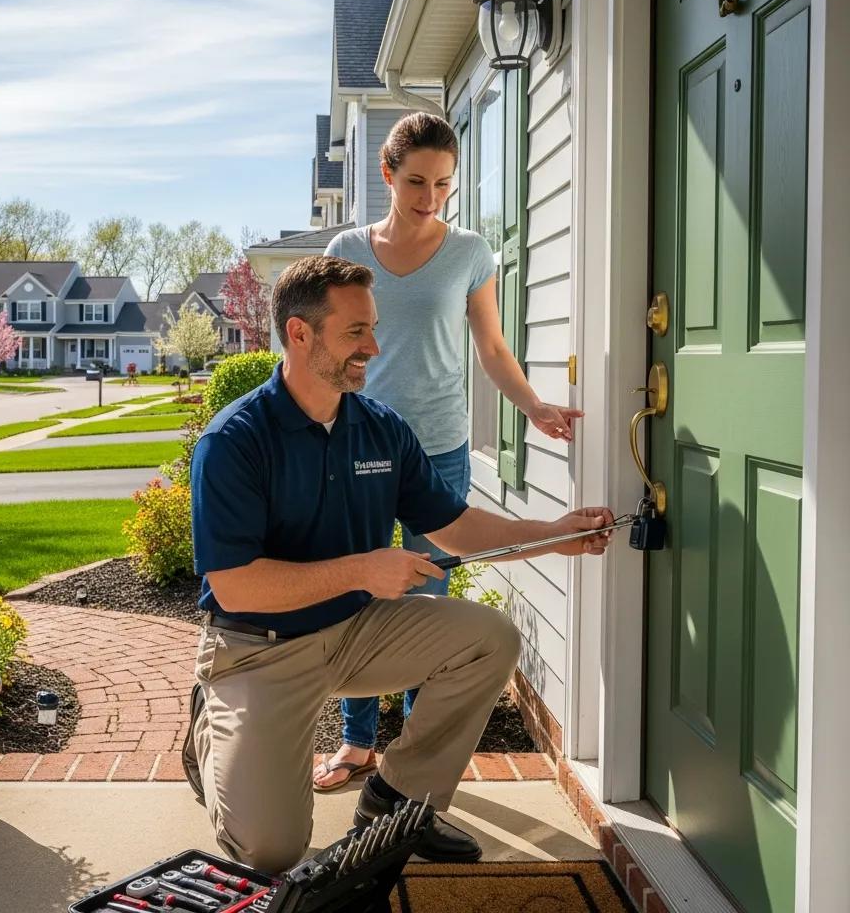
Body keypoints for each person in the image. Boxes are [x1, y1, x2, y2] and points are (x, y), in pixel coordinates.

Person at [181, 256, 615, 874]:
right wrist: (361, 570)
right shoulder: (235, 440)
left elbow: (457, 526)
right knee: (271, 850)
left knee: (488, 639)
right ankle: (213, 730)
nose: (374, 346)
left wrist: (551, 536)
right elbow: (234, 584)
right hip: (260, 648)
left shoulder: (382, 429)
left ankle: (399, 801)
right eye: (356, 331)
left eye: (373, 327)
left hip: (357, 632)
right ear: (299, 334)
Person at [313, 111, 584, 792]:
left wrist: (535, 406)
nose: (429, 197)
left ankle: (416, 757)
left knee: (429, 603)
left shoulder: (469, 253)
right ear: (387, 174)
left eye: (442, 184)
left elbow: (491, 346)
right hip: (359, 443)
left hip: (437, 446)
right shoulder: (349, 247)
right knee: (360, 591)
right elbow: (329, 343)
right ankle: (355, 742)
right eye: (415, 182)